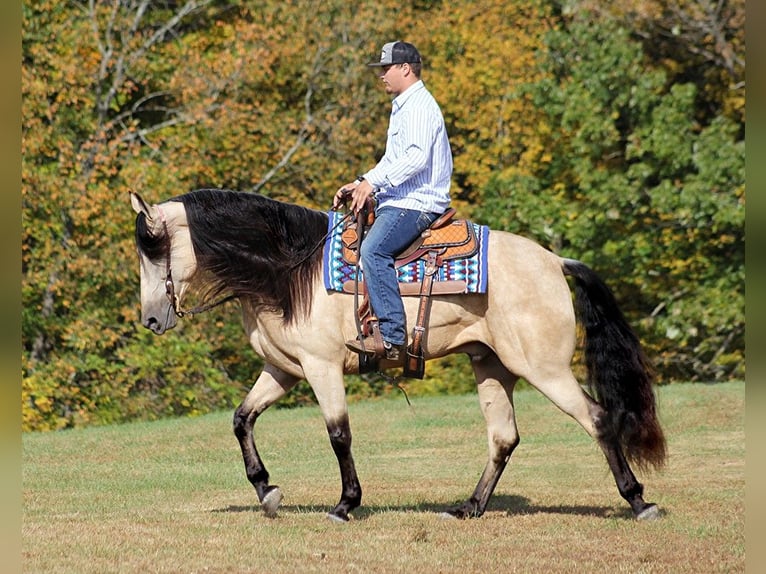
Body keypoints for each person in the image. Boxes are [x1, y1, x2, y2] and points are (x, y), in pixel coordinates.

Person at [333, 41, 453, 361]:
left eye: (386, 69)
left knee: (373, 250)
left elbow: (415, 158)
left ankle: (391, 336)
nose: (382, 75)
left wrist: (373, 183)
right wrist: (362, 182)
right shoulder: (403, 105)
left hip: (417, 202)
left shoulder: (419, 107)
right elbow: (391, 160)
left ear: (406, 69)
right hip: (399, 198)